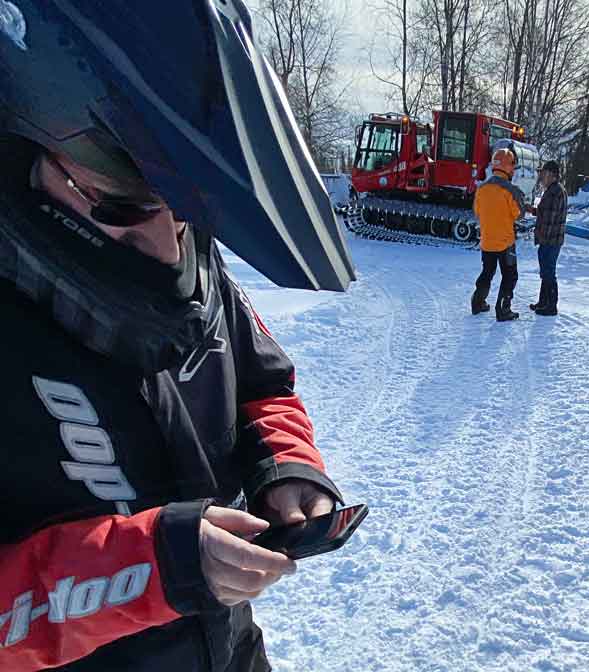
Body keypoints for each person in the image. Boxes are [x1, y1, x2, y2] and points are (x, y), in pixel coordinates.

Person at [0, 2, 357, 671]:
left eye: (185, 213)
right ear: (28, 148)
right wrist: (150, 567)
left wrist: (285, 471)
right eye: (124, 205)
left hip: (223, 648)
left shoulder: (192, 266)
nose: (167, 248)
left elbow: (263, 384)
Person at [471, 148, 527, 322]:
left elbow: (476, 212)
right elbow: (519, 214)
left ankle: (477, 302)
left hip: (487, 241)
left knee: (487, 272)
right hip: (505, 243)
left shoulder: (482, 189)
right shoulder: (510, 190)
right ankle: (503, 309)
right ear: (508, 167)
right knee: (510, 276)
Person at [528, 161, 568, 316]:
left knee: (548, 271)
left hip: (550, 241)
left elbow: (549, 220)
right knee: (545, 272)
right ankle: (543, 302)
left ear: (551, 174)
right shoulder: (553, 190)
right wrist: (532, 210)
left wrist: (541, 238)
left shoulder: (555, 191)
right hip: (550, 240)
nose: (541, 176)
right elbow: (546, 213)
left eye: (543, 173)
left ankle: (551, 306)